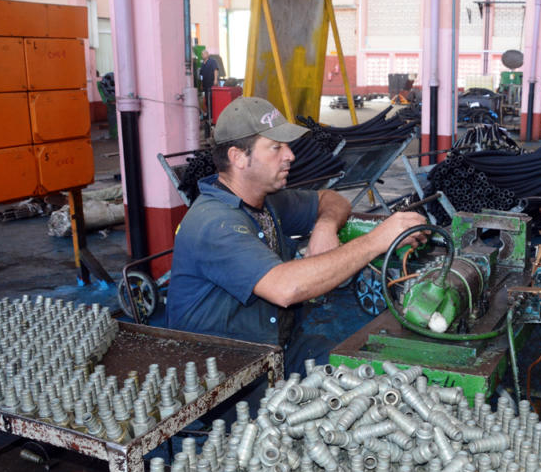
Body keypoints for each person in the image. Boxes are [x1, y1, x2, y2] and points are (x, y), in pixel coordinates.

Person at [166, 97, 426, 374]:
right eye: (276, 147)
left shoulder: (265, 200)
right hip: (229, 374)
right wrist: (376, 240)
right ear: (238, 157)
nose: (290, 155)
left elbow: (332, 200)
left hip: (281, 349)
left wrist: (325, 226)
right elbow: (285, 288)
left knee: (377, 373)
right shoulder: (214, 223)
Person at [199, 49, 220, 117]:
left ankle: (213, 115)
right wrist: (201, 84)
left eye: (204, 54)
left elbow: (215, 70)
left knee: (211, 99)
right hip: (205, 85)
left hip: (212, 84)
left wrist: (215, 79)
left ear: (207, 54)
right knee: (207, 100)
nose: (202, 55)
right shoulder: (202, 64)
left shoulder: (212, 61)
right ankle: (209, 114)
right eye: (202, 54)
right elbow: (201, 75)